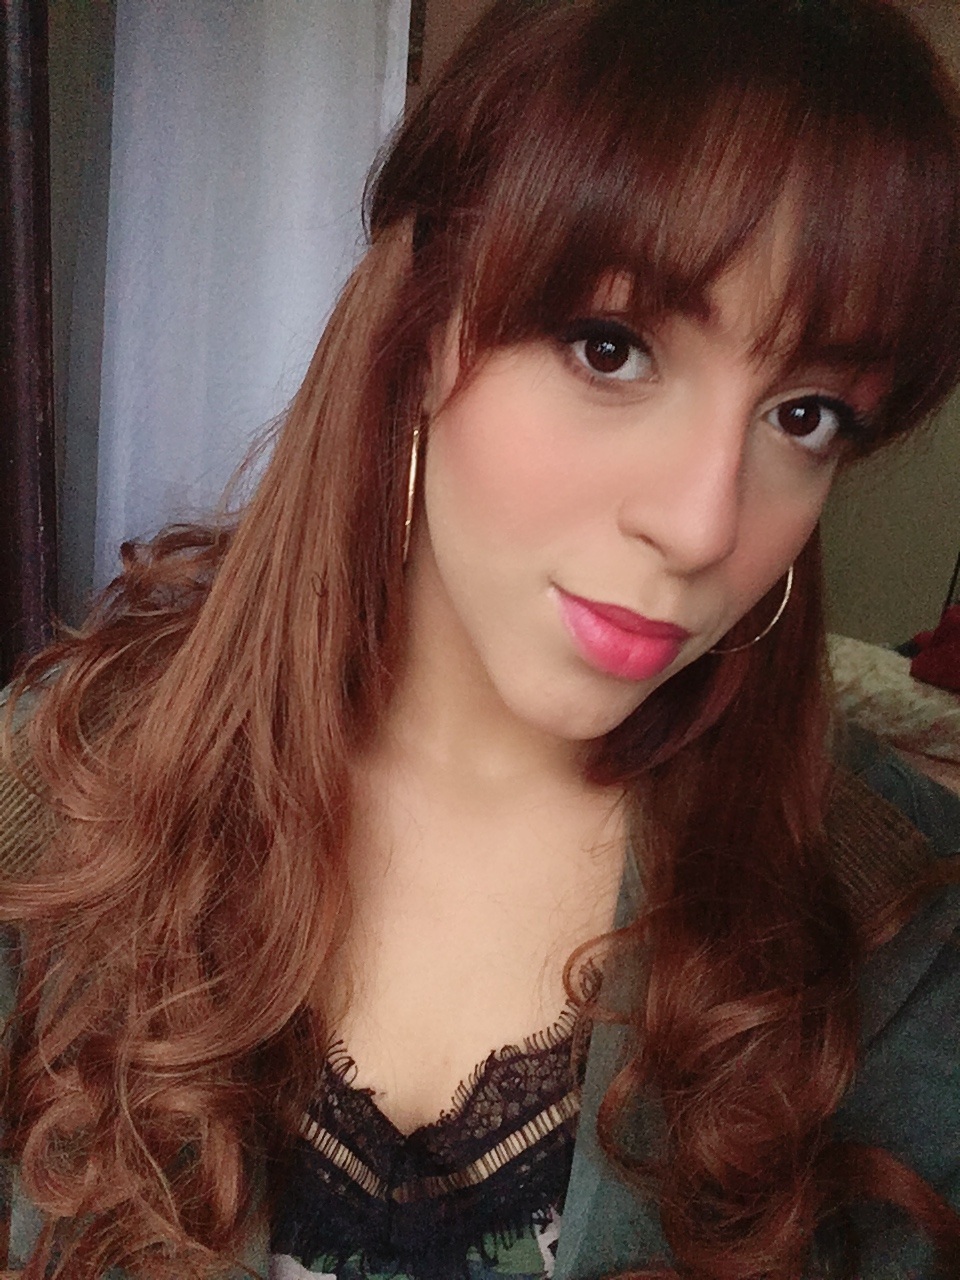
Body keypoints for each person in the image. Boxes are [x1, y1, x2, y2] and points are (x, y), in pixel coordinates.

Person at [3, 0, 960, 1276]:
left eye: (807, 414)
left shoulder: (894, 933)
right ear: (419, 325)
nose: (701, 524)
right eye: (611, 348)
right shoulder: (56, 796)